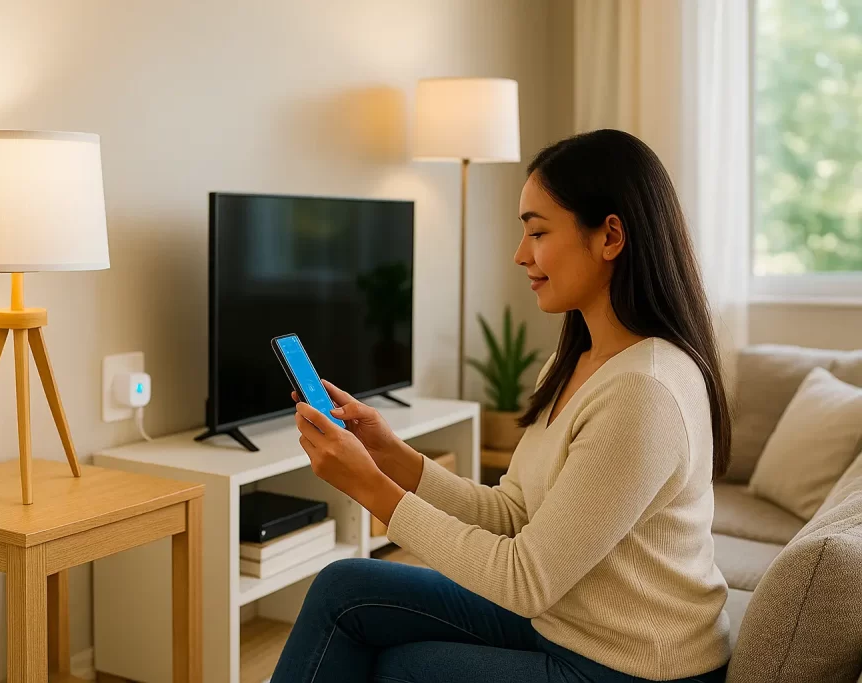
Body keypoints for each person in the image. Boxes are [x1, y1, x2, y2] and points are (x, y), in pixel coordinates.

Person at [271, 129, 732, 683]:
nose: (520, 255)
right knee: (344, 586)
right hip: (562, 619)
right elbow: (513, 515)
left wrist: (369, 487)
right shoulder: (575, 362)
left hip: (629, 664)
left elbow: (524, 578)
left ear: (611, 236)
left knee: (402, 669)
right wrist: (388, 452)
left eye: (537, 232)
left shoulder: (644, 394)